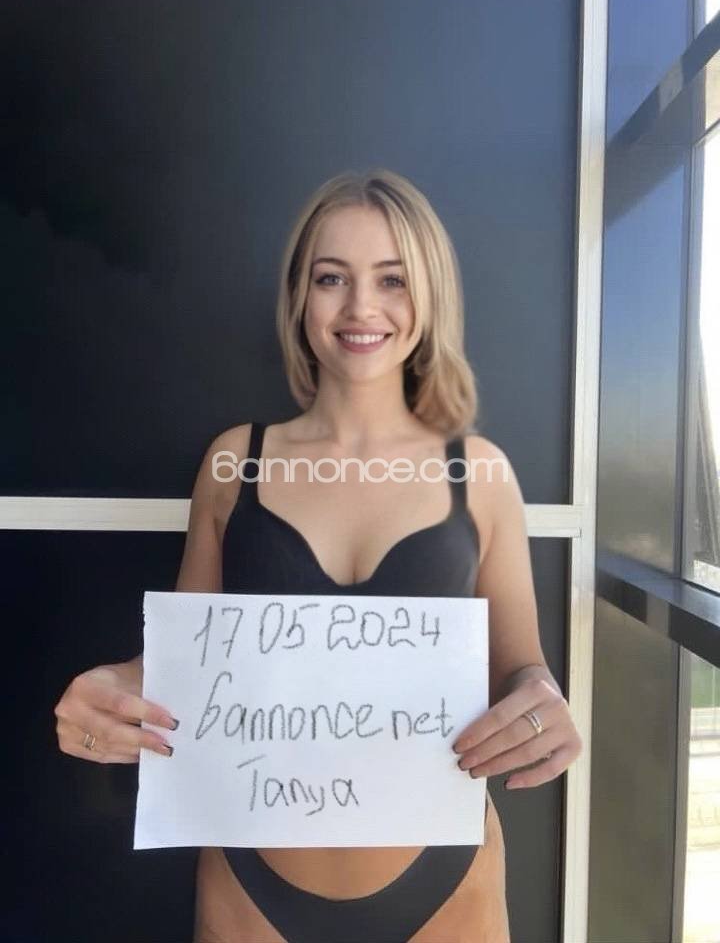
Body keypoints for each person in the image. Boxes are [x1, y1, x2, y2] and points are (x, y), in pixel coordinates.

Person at [54, 168, 583, 942]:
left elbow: (521, 669)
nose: (361, 306)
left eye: (392, 279)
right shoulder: (235, 463)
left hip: (448, 883)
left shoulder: (481, 474)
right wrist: (108, 694)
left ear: (429, 295)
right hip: (250, 885)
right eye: (332, 277)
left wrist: (543, 703)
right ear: (299, 295)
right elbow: (179, 670)